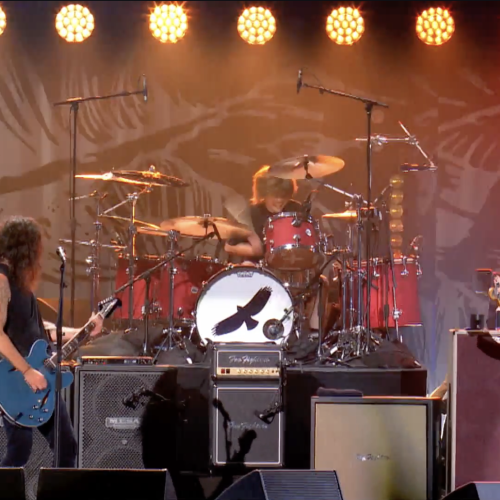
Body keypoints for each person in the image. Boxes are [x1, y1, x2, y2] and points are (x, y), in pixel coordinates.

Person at [0, 216, 104, 468]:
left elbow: (42, 332)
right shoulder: (2, 280)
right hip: (16, 380)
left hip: (38, 379)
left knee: (66, 446)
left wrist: (84, 330)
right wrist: (27, 371)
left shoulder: (21, 285)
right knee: (19, 450)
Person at [224, 166, 330, 334]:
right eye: (275, 196)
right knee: (246, 268)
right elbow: (229, 246)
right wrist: (257, 251)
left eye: (284, 196)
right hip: (259, 268)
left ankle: (313, 336)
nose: (280, 200)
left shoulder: (297, 210)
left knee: (322, 282)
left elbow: (308, 244)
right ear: (264, 193)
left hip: (291, 269)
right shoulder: (251, 213)